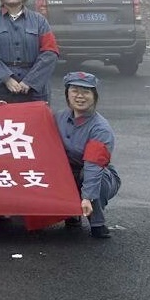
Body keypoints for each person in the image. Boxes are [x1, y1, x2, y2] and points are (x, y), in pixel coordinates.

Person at [57, 71, 121, 239]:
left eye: (86, 92)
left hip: (98, 173)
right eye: (74, 91)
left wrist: (87, 198)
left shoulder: (101, 129)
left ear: (94, 96)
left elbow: (94, 166)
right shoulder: (59, 117)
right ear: (67, 94)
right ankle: (71, 213)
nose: (80, 96)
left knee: (89, 175)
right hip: (67, 172)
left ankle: (97, 222)